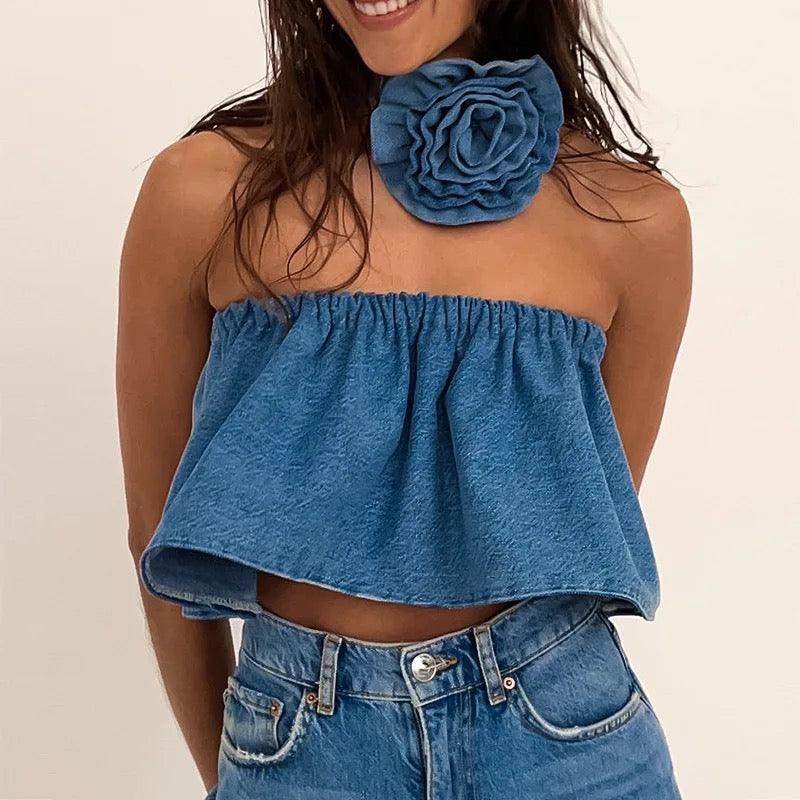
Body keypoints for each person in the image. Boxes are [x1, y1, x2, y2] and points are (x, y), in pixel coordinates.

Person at [117, 0, 691, 797]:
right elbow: (154, 525)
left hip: (571, 742)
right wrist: (242, 768)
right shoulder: (202, 192)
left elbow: (579, 519)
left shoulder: (633, 218)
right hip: (300, 742)